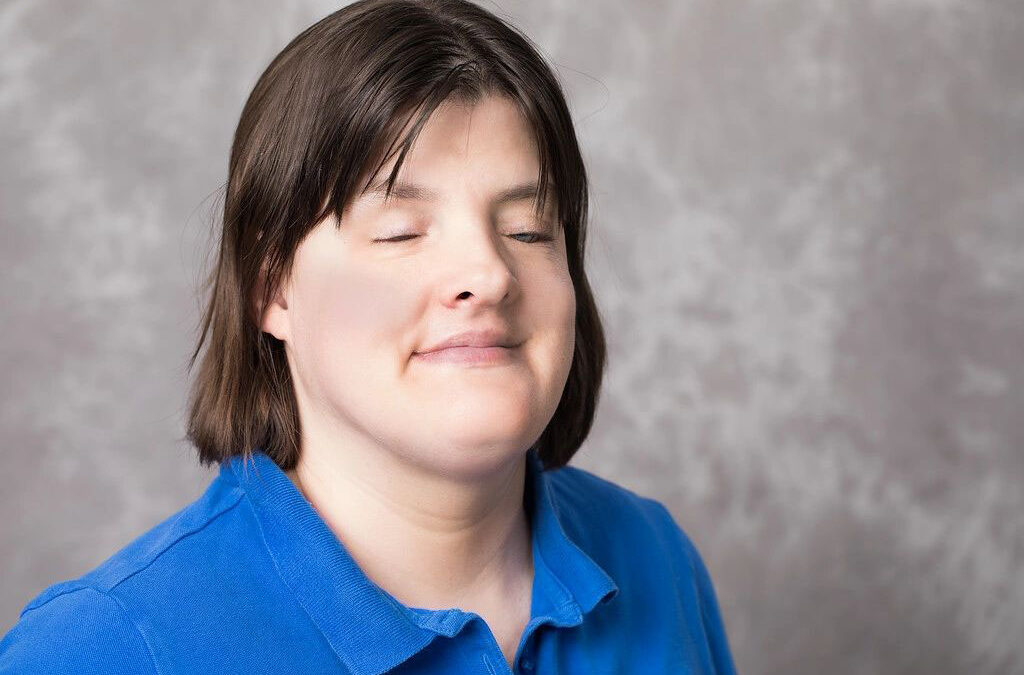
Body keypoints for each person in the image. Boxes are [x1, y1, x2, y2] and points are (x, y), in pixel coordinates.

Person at [0, 1, 738, 672]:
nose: (488, 271)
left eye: (527, 228)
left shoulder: (654, 552)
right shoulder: (101, 648)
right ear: (270, 287)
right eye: (401, 231)